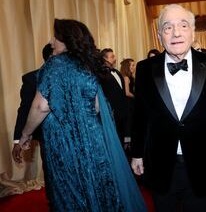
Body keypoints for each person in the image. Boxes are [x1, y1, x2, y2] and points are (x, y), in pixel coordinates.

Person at [19, 19, 146, 211]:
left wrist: (25, 134)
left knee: (69, 189)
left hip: (64, 140)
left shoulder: (54, 65)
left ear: (65, 40)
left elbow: (40, 107)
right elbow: (96, 107)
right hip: (93, 137)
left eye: (55, 37)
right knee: (96, 184)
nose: (52, 41)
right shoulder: (87, 65)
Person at [130, 4, 206, 212]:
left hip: (203, 164)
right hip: (160, 164)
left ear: (193, 33)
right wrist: (137, 153)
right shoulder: (145, 69)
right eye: (168, 27)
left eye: (183, 26)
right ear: (159, 35)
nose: (176, 33)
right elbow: (140, 115)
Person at [12, 44, 53, 164]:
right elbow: (25, 109)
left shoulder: (74, 76)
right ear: (51, 58)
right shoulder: (32, 79)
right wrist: (18, 140)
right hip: (48, 138)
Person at [100, 48, 129, 144]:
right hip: (111, 112)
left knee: (121, 137)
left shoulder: (117, 72)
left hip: (122, 111)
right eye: (112, 57)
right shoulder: (102, 74)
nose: (115, 58)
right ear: (104, 59)